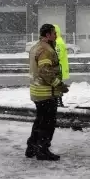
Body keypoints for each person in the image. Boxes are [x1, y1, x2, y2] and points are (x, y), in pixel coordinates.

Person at [26, 23, 68, 161]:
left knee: (40, 120)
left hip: (37, 91)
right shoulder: (46, 50)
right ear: (48, 34)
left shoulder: (36, 47)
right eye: (54, 33)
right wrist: (59, 85)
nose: (56, 36)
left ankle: (32, 146)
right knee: (47, 123)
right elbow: (45, 71)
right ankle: (42, 150)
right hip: (46, 92)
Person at [53, 24, 69, 107]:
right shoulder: (58, 40)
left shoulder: (57, 42)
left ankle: (59, 102)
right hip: (59, 68)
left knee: (56, 86)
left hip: (58, 68)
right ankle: (58, 102)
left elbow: (58, 55)